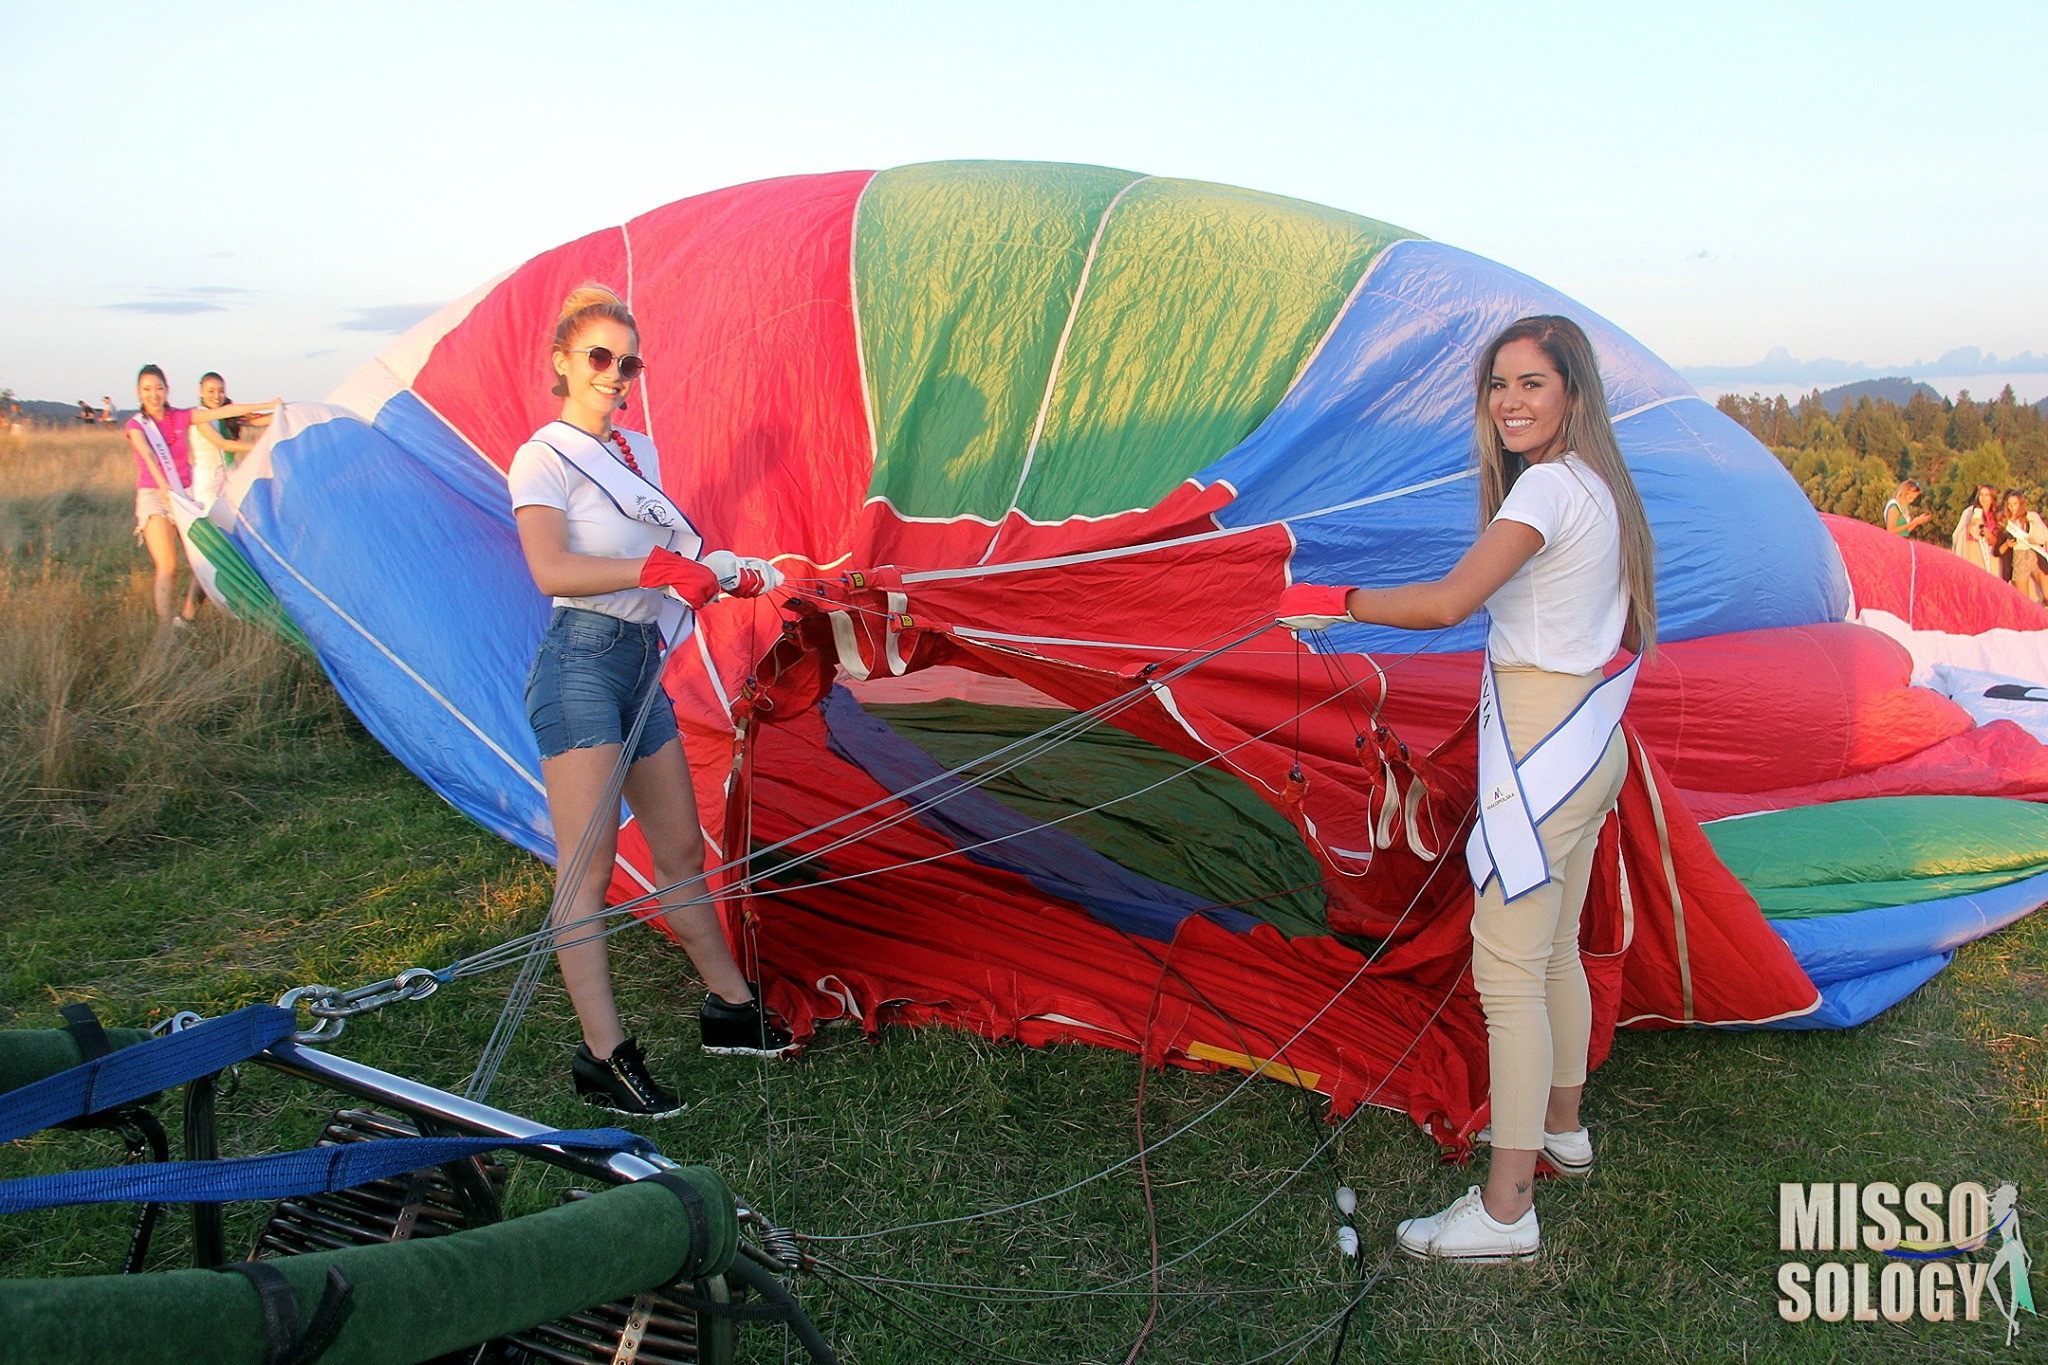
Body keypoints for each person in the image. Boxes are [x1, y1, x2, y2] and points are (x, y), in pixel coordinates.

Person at [1277, 315, 1657, 1263]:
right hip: (1584, 740)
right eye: (1498, 385)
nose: (1511, 401)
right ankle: (1560, 1126)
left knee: (1508, 976)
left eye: (1533, 382)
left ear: (1572, 391)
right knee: (1554, 947)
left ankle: (1505, 1211)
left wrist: (1332, 604)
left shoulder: (1548, 491)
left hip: (1541, 757)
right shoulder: (1597, 484)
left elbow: (1449, 602)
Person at [509, 282, 797, 1118]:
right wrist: (653, 570)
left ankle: (730, 1011)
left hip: (641, 663)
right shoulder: (544, 455)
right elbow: (550, 570)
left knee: (681, 852)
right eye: (599, 357)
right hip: (581, 664)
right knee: (588, 872)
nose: (616, 373)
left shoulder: (640, 454)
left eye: (628, 360)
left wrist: (739, 571)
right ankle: (604, 1055)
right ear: (563, 363)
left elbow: (682, 557)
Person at [122, 365, 277, 627]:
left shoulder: (181, 417)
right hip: (157, 494)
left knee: (205, 558)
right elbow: (148, 455)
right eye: (147, 389)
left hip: (185, 494)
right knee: (169, 566)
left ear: (167, 390)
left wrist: (269, 404)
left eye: (159, 388)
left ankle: (189, 617)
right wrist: (164, 488)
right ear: (139, 392)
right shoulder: (136, 425)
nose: (154, 395)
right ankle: (165, 631)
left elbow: (228, 412)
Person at [1994, 490, 2048, 604]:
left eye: (2015, 503)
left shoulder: (2032, 516)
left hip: (2035, 555)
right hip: (2018, 558)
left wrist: (2036, 540)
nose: (2012, 507)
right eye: (2009, 504)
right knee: (2024, 601)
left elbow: (2044, 535)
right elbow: (1997, 551)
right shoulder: (2005, 523)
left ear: (2021, 503)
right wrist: (2007, 545)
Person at [1952, 483, 2001, 575]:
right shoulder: (1969, 512)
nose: (1983, 498)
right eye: (1981, 495)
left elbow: (1997, 541)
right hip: (1973, 552)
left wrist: (1989, 535)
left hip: (1990, 554)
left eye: (1987, 495)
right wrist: (1970, 524)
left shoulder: (1997, 514)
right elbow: (1958, 535)